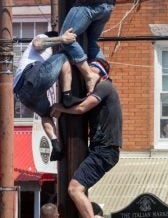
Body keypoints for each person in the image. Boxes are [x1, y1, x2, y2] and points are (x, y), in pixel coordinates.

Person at [50, 59, 122, 218]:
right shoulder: (100, 90)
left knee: (74, 189)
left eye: (91, 71)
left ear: (102, 75)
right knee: (77, 189)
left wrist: (60, 107)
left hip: (104, 150)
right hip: (100, 149)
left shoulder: (105, 86)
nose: (87, 75)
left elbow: (82, 108)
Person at [13, 28, 76, 161]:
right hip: (30, 78)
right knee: (63, 57)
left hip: (22, 94)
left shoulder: (35, 58)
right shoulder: (42, 38)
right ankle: (68, 98)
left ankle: (56, 144)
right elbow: (37, 43)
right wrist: (61, 39)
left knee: (45, 114)